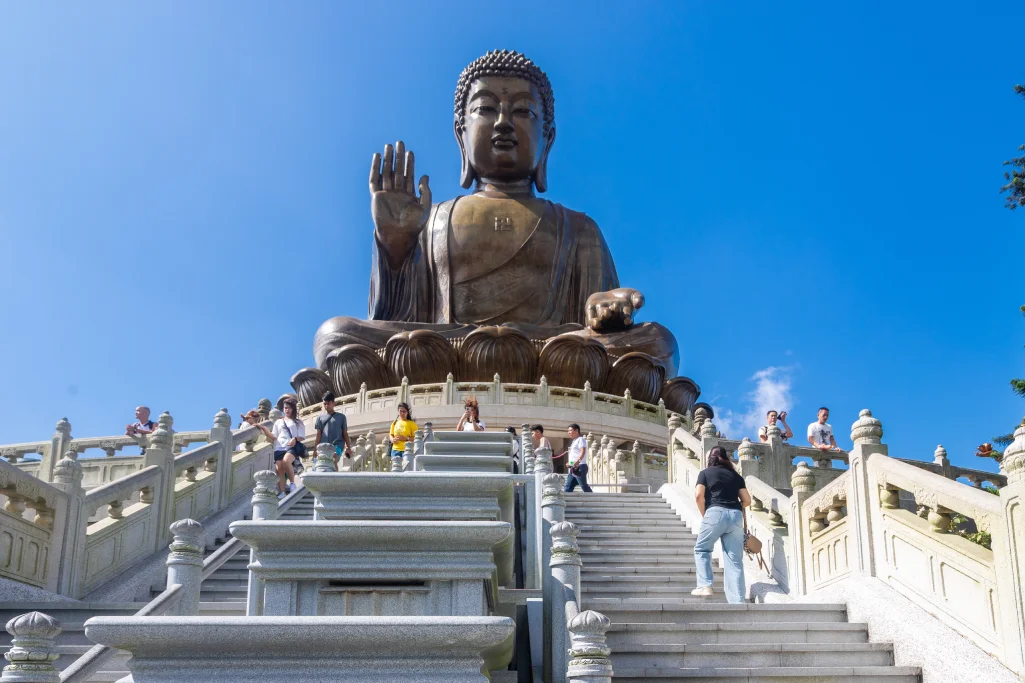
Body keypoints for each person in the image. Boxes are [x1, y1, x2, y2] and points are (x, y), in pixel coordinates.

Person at [692, 445, 751, 603]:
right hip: (735, 515)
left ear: (710, 458)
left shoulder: (705, 473)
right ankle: (737, 601)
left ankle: (705, 585)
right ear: (726, 458)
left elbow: (699, 496)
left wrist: (706, 515)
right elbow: (747, 500)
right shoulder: (736, 476)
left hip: (715, 512)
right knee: (734, 560)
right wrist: (734, 508)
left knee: (702, 549)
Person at [271, 399, 305, 497]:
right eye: (285, 408)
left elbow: (302, 436)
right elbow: (274, 436)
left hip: (291, 447)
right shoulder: (278, 422)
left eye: (289, 408)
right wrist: (263, 428)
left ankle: (292, 483)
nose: (287, 410)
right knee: (279, 468)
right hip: (279, 447)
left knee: (286, 461)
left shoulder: (298, 422)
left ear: (293, 409)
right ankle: (282, 492)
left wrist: (295, 438)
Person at [314, 391, 351, 470]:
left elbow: (345, 433)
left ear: (334, 403)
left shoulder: (341, 417)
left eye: (328, 403)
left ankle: (335, 481)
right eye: (325, 404)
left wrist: (348, 447)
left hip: (337, 445)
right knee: (325, 464)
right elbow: (318, 434)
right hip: (324, 446)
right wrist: (315, 450)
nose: (326, 406)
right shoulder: (320, 418)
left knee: (334, 459)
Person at [563, 424, 592, 493]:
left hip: (580, 467)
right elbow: (575, 456)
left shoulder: (581, 439)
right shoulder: (574, 441)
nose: (569, 432)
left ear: (576, 431)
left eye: (570, 430)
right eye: (568, 431)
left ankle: (594, 499)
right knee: (568, 486)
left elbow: (583, 451)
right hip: (573, 467)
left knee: (583, 486)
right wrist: (570, 463)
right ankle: (566, 502)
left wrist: (578, 462)